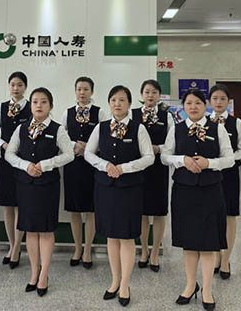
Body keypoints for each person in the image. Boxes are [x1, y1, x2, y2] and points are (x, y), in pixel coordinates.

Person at [162, 88, 234, 310]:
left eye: (198, 103)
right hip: (184, 191)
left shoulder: (217, 128)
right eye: (189, 103)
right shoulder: (176, 129)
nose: (193, 107)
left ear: (205, 106)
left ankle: (208, 290)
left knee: (208, 243)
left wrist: (209, 163)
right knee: (189, 242)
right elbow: (165, 156)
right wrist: (182, 160)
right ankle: (190, 285)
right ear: (183, 107)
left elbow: (229, 159)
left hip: (211, 191)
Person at [84, 85, 154, 307]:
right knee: (111, 236)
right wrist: (105, 165)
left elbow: (149, 157)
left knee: (126, 236)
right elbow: (88, 153)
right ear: (109, 103)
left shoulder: (138, 128)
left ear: (129, 104)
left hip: (130, 189)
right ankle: (114, 280)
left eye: (122, 100)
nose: (117, 103)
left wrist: (124, 168)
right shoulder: (101, 127)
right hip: (105, 188)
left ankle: (125, 284)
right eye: (113, 99)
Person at [5, 87, 74, 297]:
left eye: (44, 102)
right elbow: (9, 154)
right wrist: (25, 165)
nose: (39, 105)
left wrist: (46, 164)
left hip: (47, 186)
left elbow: (69, 154)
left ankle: (44, 274)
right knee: (30, 230)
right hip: (25, 185)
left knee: (45, 230)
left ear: (50, 106)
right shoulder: (22, 128)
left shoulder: (57, 129)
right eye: (35, 101)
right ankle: (34, 273)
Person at [60, 76, 109, 268]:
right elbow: (61, 137)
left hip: (92, 166)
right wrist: (75, 145)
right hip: (73, 165)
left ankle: (88, 250)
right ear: (75, 91)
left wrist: (88, 147)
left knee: (90, 209)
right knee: (74, 209)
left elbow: (106, 136)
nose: (82, 92)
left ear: (92, 92)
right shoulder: (67, 113)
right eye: (79, 89)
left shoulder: (100, 112)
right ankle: (77, 249)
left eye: (86, 89)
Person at [132, 79, 174, 272]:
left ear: (159, 96)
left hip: (158, 168)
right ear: (142, 94)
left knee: (158, 211)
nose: (150, 95)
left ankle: (155, 252)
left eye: (154, 92)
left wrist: (159, 148)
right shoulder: (132, 115)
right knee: (141, 211)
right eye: (147, 92)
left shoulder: (166, 116)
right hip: (139, 167)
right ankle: (144, 251)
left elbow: (173, 143)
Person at [208, 84, 241, 279]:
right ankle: (216, 256)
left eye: (222, 98)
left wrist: (228, 160)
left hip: (230, 174)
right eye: (215, 98)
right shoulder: (204, 122)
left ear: (228, 101)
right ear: (209, 101)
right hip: (210, 176)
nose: (218, 102)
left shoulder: (236, 123)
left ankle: (226, 260)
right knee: (213, 216)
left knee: (229, 216)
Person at [0, 71, 31, 268]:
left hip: (24, 161)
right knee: (8, 205)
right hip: (6, 160)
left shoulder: (31, 107)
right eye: (13, 84)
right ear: (9, 86)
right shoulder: (1, 107)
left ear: (25, 87)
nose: (16, 88)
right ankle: (11, 245)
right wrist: (3, 144)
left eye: (20, 85)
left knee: (20, 204)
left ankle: (17, 248)